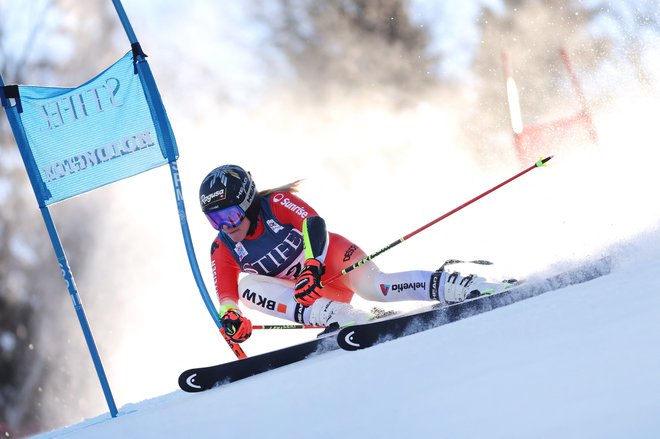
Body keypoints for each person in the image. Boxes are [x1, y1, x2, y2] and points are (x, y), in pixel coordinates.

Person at [200, 164, 512, 343]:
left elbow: (314, 223)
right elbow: (228, 296)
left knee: (376, 288)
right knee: (246, 287)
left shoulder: (276, 204)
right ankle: (341, 317)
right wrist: (232, 318)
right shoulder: (223, 246)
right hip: (312, 297)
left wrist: (312, 265)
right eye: (214, 220)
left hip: (329, 260)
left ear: (247, 203)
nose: (225, 226)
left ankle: (457, 286)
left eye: (228, 216)